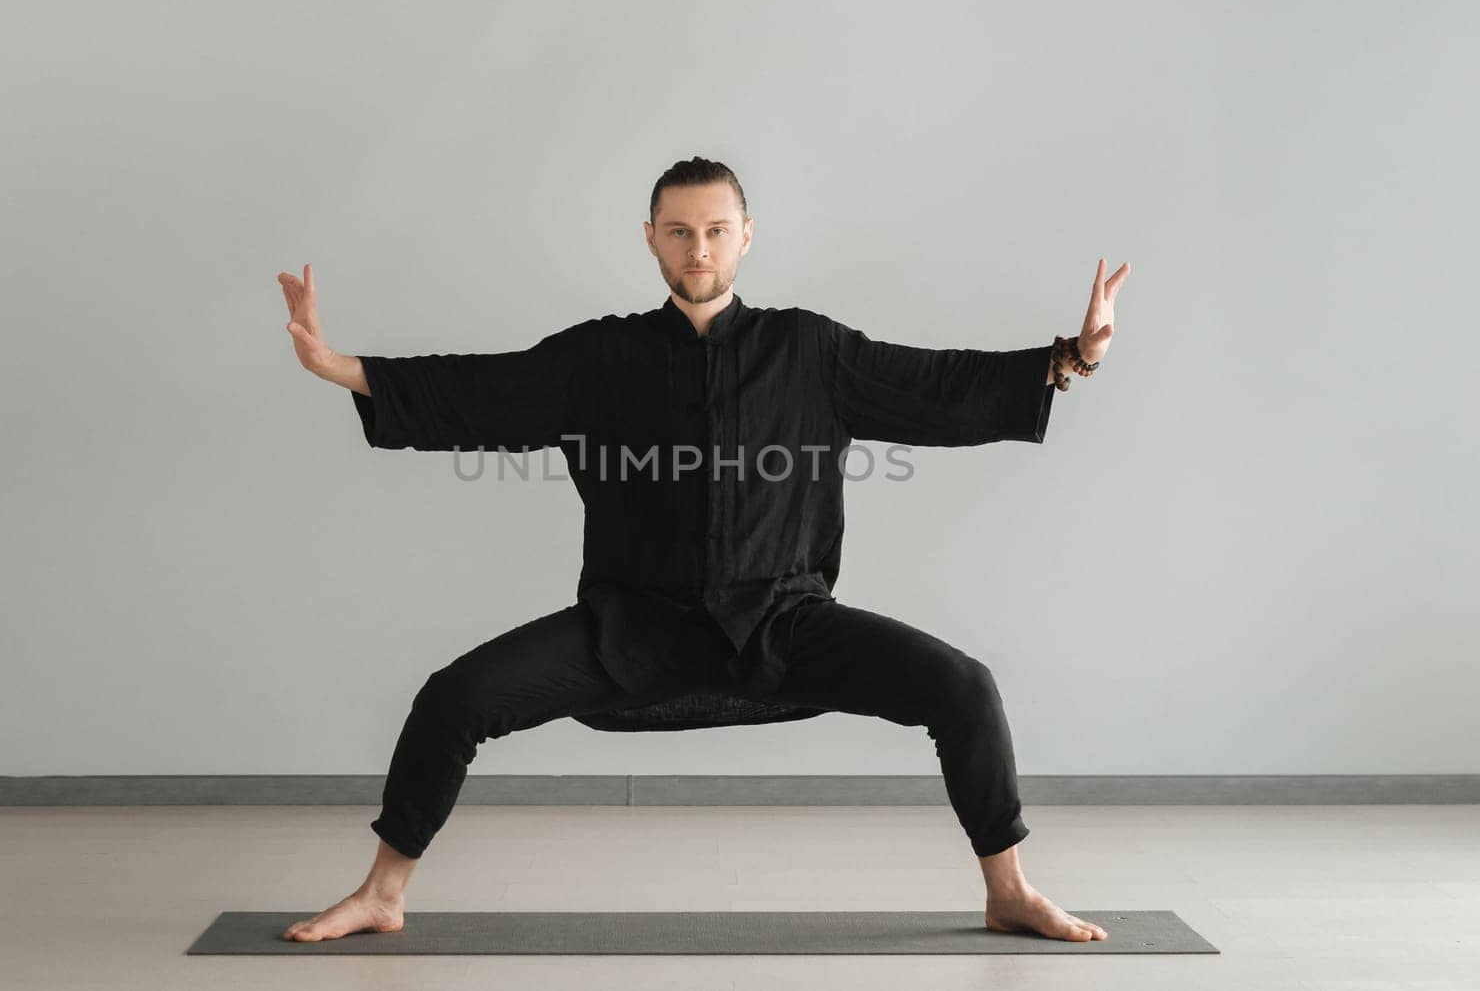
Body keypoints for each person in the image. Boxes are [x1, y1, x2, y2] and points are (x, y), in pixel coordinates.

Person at [274, 157, 1130, 944]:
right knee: (453, 697)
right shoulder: (600, 356)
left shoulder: (809, 351)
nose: (698, 247)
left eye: (716, 229)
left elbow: (936, 387)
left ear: (746, 236)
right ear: (650, 237)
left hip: (784, 623)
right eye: (679, 230)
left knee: (964, 687)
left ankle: (1008, 889)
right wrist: (341, 366)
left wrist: (1071, 359)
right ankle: (383, 892)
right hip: (628, 628)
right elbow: (481, 391)